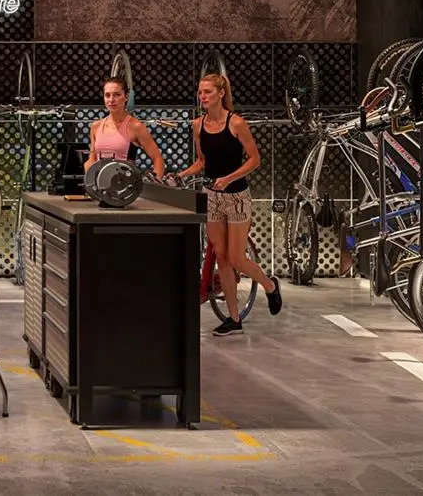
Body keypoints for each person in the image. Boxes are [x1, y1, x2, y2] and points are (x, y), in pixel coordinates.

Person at [177, 72, 280, 336]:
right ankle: (234, 319)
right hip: (211, 196)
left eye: (208, 92)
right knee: (221, 257)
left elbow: (254, 159)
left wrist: (229, 178)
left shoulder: (236, 123)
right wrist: (182, 175)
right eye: (200, 92)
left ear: (221, 93)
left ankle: (269, 285)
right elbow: (202, 161)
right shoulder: (198, 125)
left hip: (236, 196)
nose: (202, 96)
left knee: (236, 258)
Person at [85, 76, 165, 178]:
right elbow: (92, 160)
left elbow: (158, 159)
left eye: (117, 95)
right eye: (107, 95)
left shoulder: (136, 126)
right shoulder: (96, 126)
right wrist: (89, 178)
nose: (111, 100)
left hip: (126, 185)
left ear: (126, 96)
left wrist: (155, 181)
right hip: (99, 186)